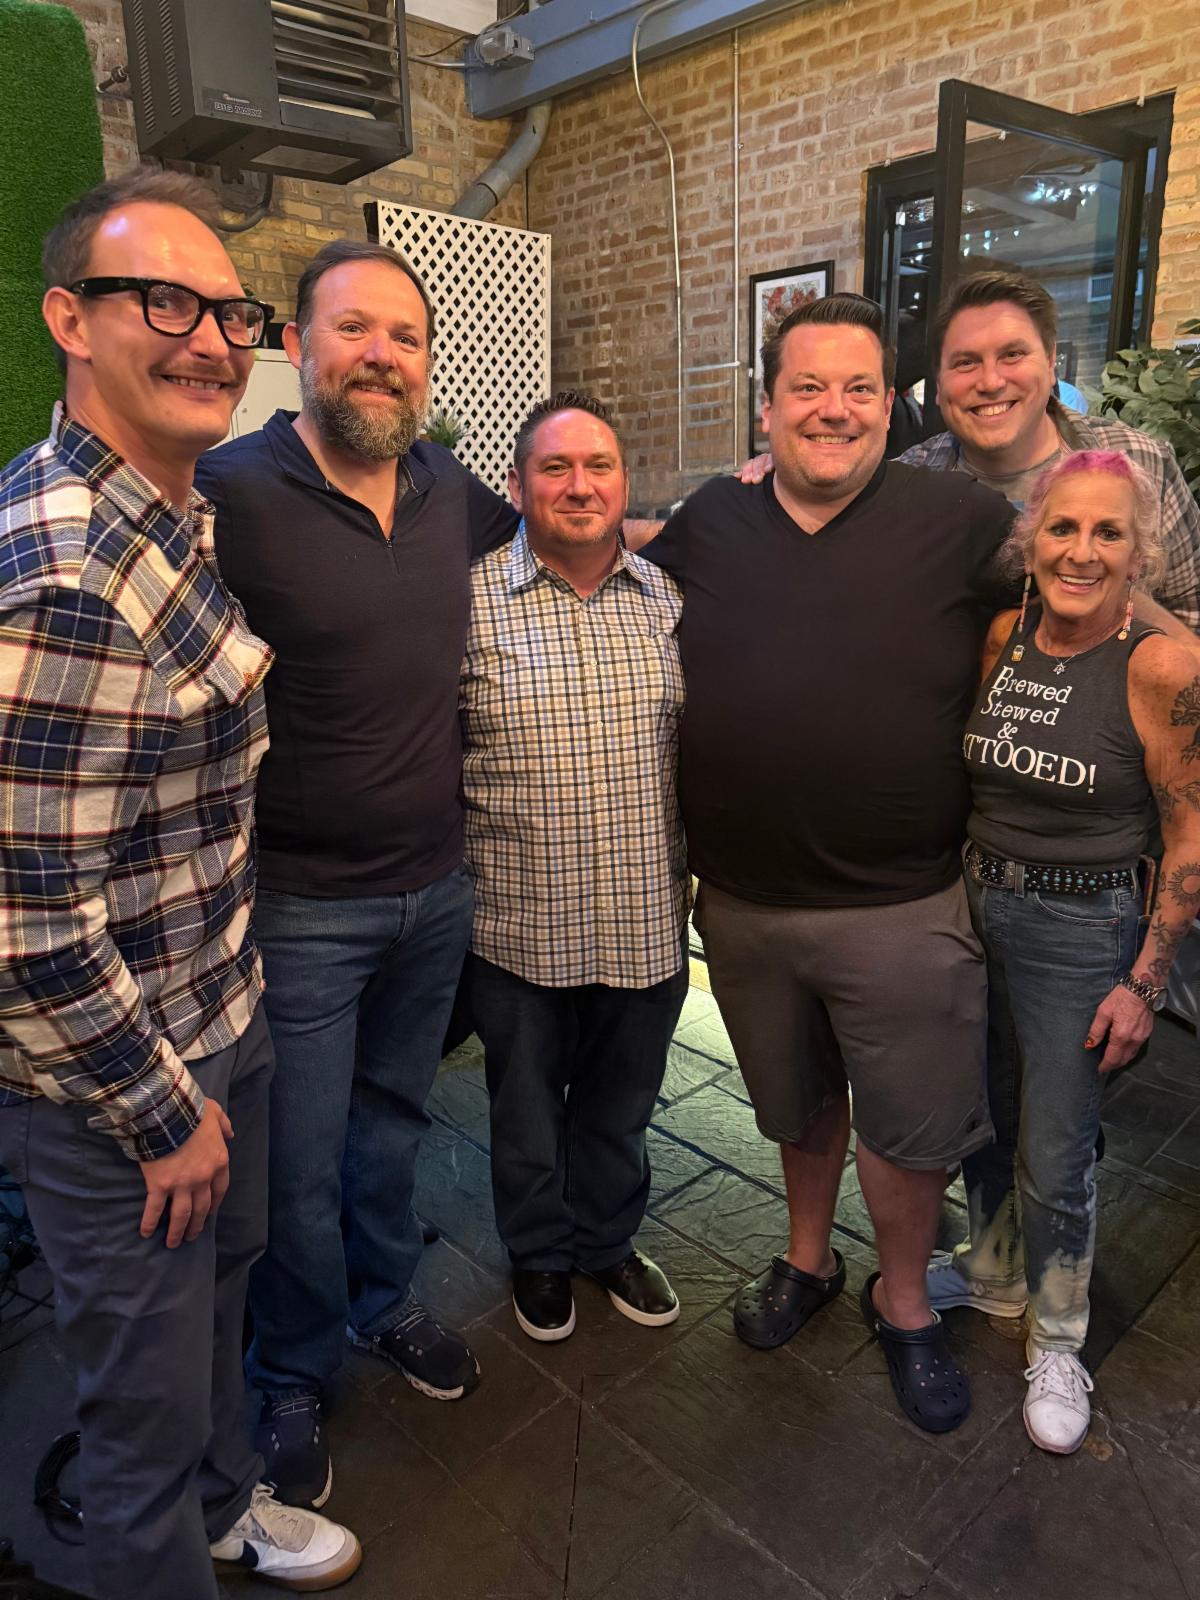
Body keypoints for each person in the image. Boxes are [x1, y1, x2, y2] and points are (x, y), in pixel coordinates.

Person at [0, 171, 359, 1600]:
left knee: (220, 1307)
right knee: (139, 1424)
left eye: (228, 311)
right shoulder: (65, 571)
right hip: (121, 1087)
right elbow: (23, 920)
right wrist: (160, 1117)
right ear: (68, 320)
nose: (211, 339)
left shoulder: (171, 509)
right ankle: (173, 1541)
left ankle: (225, 1510)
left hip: (218, 1009)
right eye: (165, 302)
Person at [640, 294, 1016, 1435]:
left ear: (892, 406)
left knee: (910, 1125)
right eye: (807, 387)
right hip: (746, 904)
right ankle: (807, 1259)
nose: (834, 409)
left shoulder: (960, 517)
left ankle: (905, 1302)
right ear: (767, 409)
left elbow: (1079, 586)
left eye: (859, 388)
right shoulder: (714, 516)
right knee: (796, 1104)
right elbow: (622, 565)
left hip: (901, 901)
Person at [195, 240, 521, 1508]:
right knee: (296, 1160)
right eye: (353, 329)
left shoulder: (447, 487)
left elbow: (569, 525)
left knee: (392, 1124)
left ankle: (383, 1302)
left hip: (434, 888)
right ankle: (288, 1369)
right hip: (297, 903)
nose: (381, 355)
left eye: (404, 335)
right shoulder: (231, 487)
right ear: (297, 347)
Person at [927, 449, 1200, 1454]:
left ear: (1140, 555)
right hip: (975, 906)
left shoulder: (1162, 668)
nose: (1082, 551)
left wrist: (1145, 982)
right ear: (1031, 542)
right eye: (1063, 528)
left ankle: (1059, 1337)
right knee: (986, 1114)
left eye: (1109, 532)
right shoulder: (1005, 637)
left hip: (1082, 929)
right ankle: (996, 1271)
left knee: (1056, 1148)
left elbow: (1191, 837)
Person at [459, 392, 688, 1342]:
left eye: (599, 466)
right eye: (555, 467)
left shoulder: (668, 602)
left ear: (626, 484)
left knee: (621, 1107)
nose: (579, 485)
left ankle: (605, 1241)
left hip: (643, 914)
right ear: (517, 487)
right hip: (518, 920)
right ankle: (540, 1252)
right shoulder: (467, 602)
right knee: (523, 1112)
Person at [901, 270, 1200, 629]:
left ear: (1049, 361)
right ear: (938, 383)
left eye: (1013, 354)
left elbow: (1191, 616)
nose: (991, 382)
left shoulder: (1144, 462)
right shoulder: (904, 487)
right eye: (966, 362)